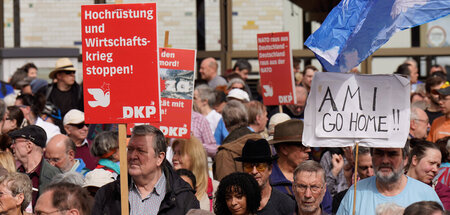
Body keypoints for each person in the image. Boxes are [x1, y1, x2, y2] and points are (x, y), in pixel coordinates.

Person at [92, 125, 199, 215]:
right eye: (130, 149)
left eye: (141, 150)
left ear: (159, 158)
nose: (133, 156)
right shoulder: (107, 194)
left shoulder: (184, 199)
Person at [337, 146, 442, 215]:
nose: (385, 160)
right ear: (372, 157)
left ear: (405, 159)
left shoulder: (426, 194)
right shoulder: (355, 193)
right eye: (379, 153)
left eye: (392, 154)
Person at [269, 119, 333, 214]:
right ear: (284, 148)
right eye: (302, 145)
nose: (308, 150)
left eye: (314, 187)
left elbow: (327, 208)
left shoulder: (316, 174)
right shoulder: (267, 178)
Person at [235, 139, 296, 215]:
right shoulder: (235, 203)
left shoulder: (286, 203)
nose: (254, 171)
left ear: (270, 169)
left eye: (260, 166)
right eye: (248, 167)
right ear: (242, 169)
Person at [9, 125, 61, 207]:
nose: (12, 146)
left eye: (15, 142)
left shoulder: (55, 177)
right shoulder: (14, 174)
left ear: (29, 146)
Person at [172, 136, 219, 212]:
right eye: (174, 153)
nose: (174, 158)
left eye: (180, 153)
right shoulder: (167, 187)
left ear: (194, 156)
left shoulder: (215, 188)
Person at [406, 139, 450, 210]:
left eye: (438, 166)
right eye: (431, 163)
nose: (435, 170)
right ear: (415, 160)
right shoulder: (393, 184)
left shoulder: (441, 192)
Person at [332, 146, 374, 213]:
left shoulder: (391, 193)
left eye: (373, 167)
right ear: (355, 165)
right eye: (364, 168)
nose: (370, 173)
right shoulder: (342, 199)